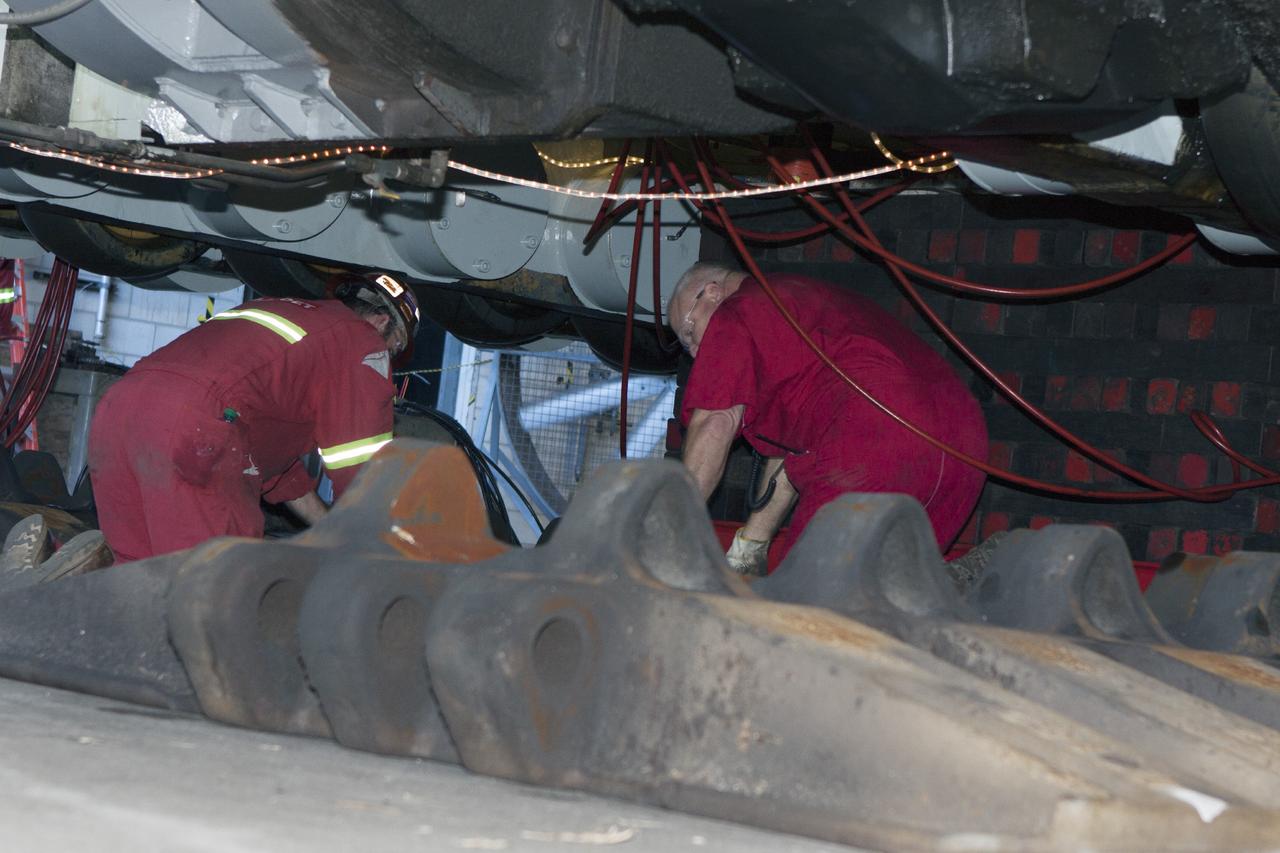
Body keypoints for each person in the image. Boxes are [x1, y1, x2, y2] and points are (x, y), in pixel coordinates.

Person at [670, 262, 987, 575]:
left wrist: (666, 543)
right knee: (889, 593)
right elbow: (794, 453)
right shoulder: (805, 300)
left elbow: (715, 422)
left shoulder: (736, 310)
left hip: (875, 437)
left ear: (711, 293)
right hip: (966, 450)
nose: (697, 353)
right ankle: (958, 582)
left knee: (812, 598)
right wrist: (749, 549)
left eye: (689, 332)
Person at [87, 271, 419, 563]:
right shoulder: (362, 340)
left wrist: (333, 529)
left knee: (136, 574)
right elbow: (362, 464)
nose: (387, 359)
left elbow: (275, 465)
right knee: (216, 585)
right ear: (381, 323)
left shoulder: (281, 311)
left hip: (119, 410)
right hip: (196, 425)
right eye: (394, 348)